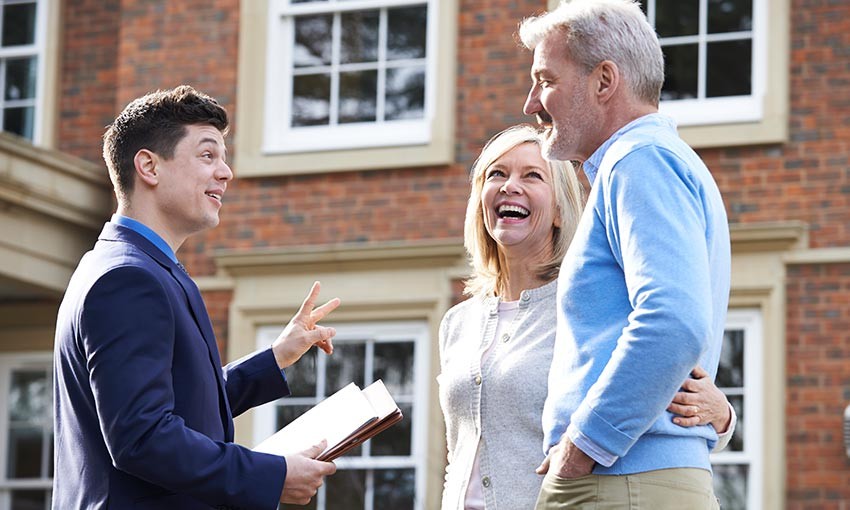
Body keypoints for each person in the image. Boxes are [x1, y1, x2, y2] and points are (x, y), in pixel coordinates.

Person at [53, 85, 337, 509]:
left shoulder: (136, 267)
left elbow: (182, 406)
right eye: (208, 155)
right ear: (149, 166)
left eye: (224, 158)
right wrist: (271, 475)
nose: (226, 173)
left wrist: (275, 357)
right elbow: (142, 437)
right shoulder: (128, 278)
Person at [437, 125, 735, 509]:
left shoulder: (587, 309)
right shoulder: (457, 323)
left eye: (532, 175)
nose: (510, 186)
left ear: (560, 211)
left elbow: (652, 374)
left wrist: (723, 416)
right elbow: (459, 453)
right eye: (497, 174)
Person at [519, 1, 732, 508]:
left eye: (545, 80)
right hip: (632, 478)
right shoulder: (649, 160)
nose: (531, 104)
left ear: (604, 81)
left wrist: (583, 446)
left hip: (620, 480)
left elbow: (673, 321)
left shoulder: (640, 160)